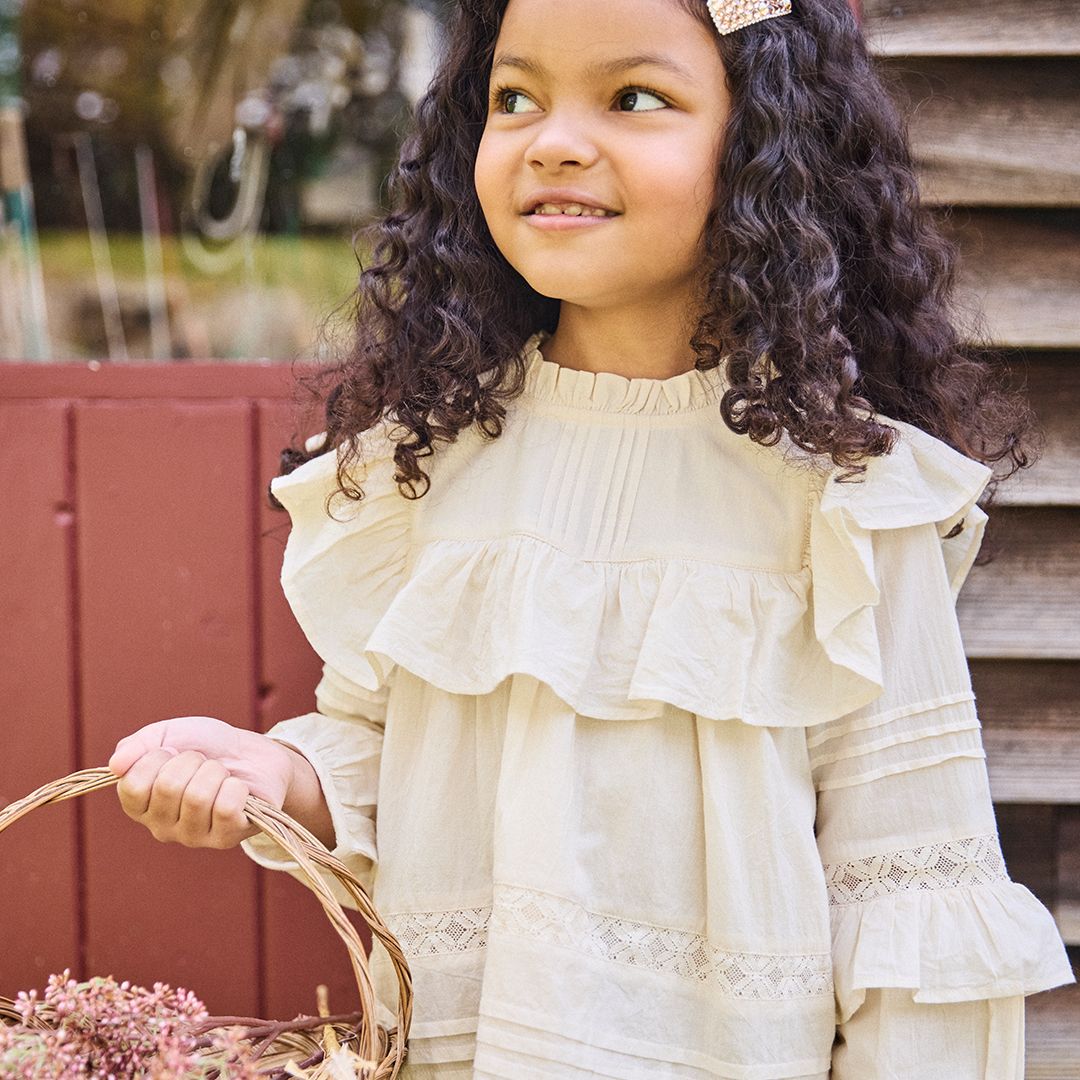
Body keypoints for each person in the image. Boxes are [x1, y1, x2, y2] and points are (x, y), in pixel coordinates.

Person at [108, 0, 1076, 1076]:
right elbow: (389, 748)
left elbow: (911, 889)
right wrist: (276, 772)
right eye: (515, 97)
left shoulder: (843, 497)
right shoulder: (431, 457)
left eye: (633, 98)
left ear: (764, 143)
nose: (554, 139)